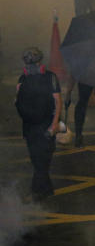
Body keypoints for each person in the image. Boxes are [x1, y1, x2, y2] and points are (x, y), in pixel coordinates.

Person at [15, 47, 61, 201]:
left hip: (46, 125)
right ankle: (46, 191)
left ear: (40, 62)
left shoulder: (50, 77)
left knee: (43, 161)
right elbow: (18, 101)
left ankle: (37, 193)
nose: (31, 66)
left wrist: (54, 124)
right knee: (37, 160)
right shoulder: (23, 79)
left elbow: (57, 101)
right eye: (28, 63)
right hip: (30, 127)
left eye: (33, 62)